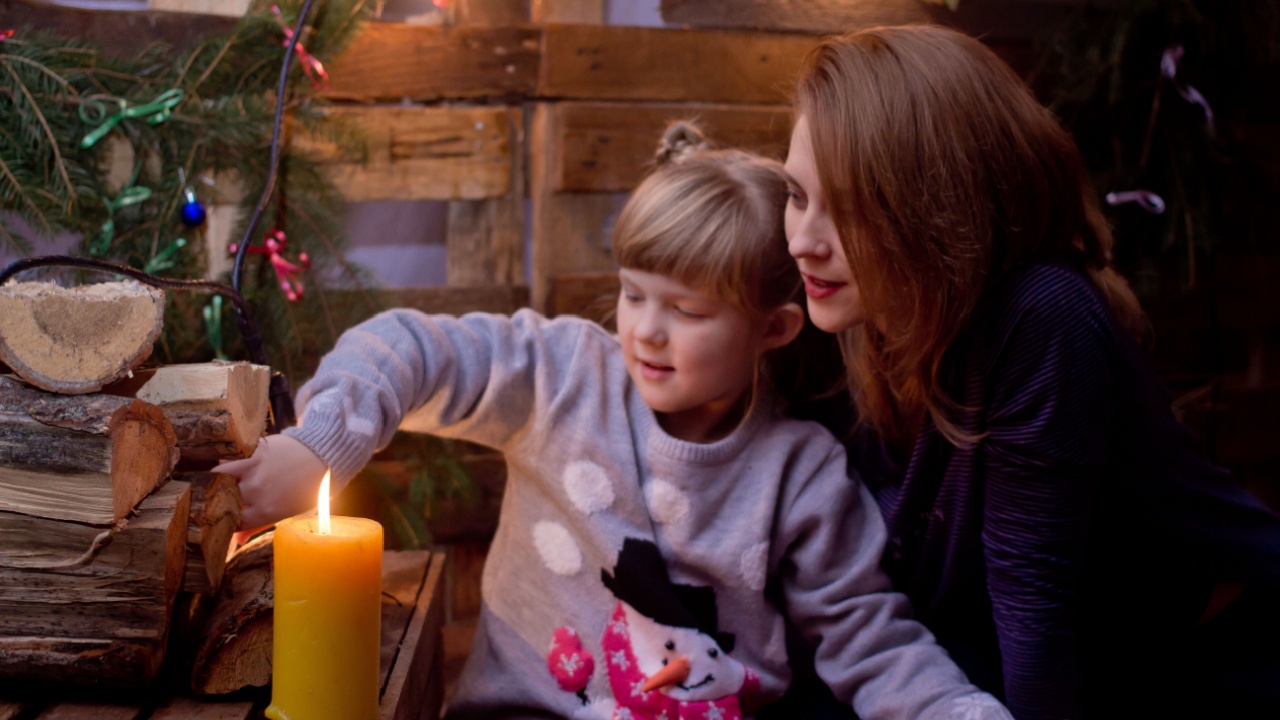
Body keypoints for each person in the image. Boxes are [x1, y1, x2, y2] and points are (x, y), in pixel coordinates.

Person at [217, 122, 1013, 720]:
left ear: (772, 328)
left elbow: (871, 640)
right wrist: (317, 446)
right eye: (633, 294)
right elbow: (405, 346)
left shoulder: (799, 473)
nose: (647, 331)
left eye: (687, 311)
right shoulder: (566, 376)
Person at [782, 23, 1280, 720]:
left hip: (1208, 662)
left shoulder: (1041, 312)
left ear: (942, 208)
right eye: (797, 196)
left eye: (856, 208)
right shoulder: (856, 303)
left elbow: (1034, 601)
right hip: (1060, 656)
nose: (805, 240)